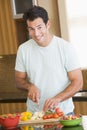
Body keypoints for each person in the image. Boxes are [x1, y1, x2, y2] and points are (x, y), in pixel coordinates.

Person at [15, 6, 83, 115]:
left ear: (48, 24)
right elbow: (19, 80)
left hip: (62, 114)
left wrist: (57, 99)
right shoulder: (23, 49)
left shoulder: (65, 48)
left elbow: (78, 82)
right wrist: (29, 86)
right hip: (34, 115)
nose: (36, 33)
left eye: (39, 27)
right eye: (31, 29)